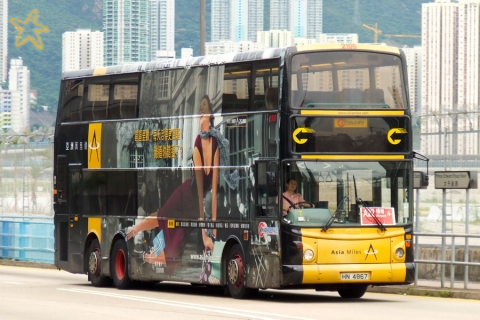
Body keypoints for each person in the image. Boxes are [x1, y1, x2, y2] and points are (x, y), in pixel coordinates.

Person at [126, 94, 237, 274]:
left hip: (194, 207)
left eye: (204, 106)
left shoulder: (216, 143)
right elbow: (200, 191)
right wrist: (204, 234)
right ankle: (134, 229)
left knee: (173, 253)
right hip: (187, 193)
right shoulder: (197, 144)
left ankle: (153, 253)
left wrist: (214, 233)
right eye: (200, 107)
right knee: (162, 215)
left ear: (210, 113)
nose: (201, 109)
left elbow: (213, 191)